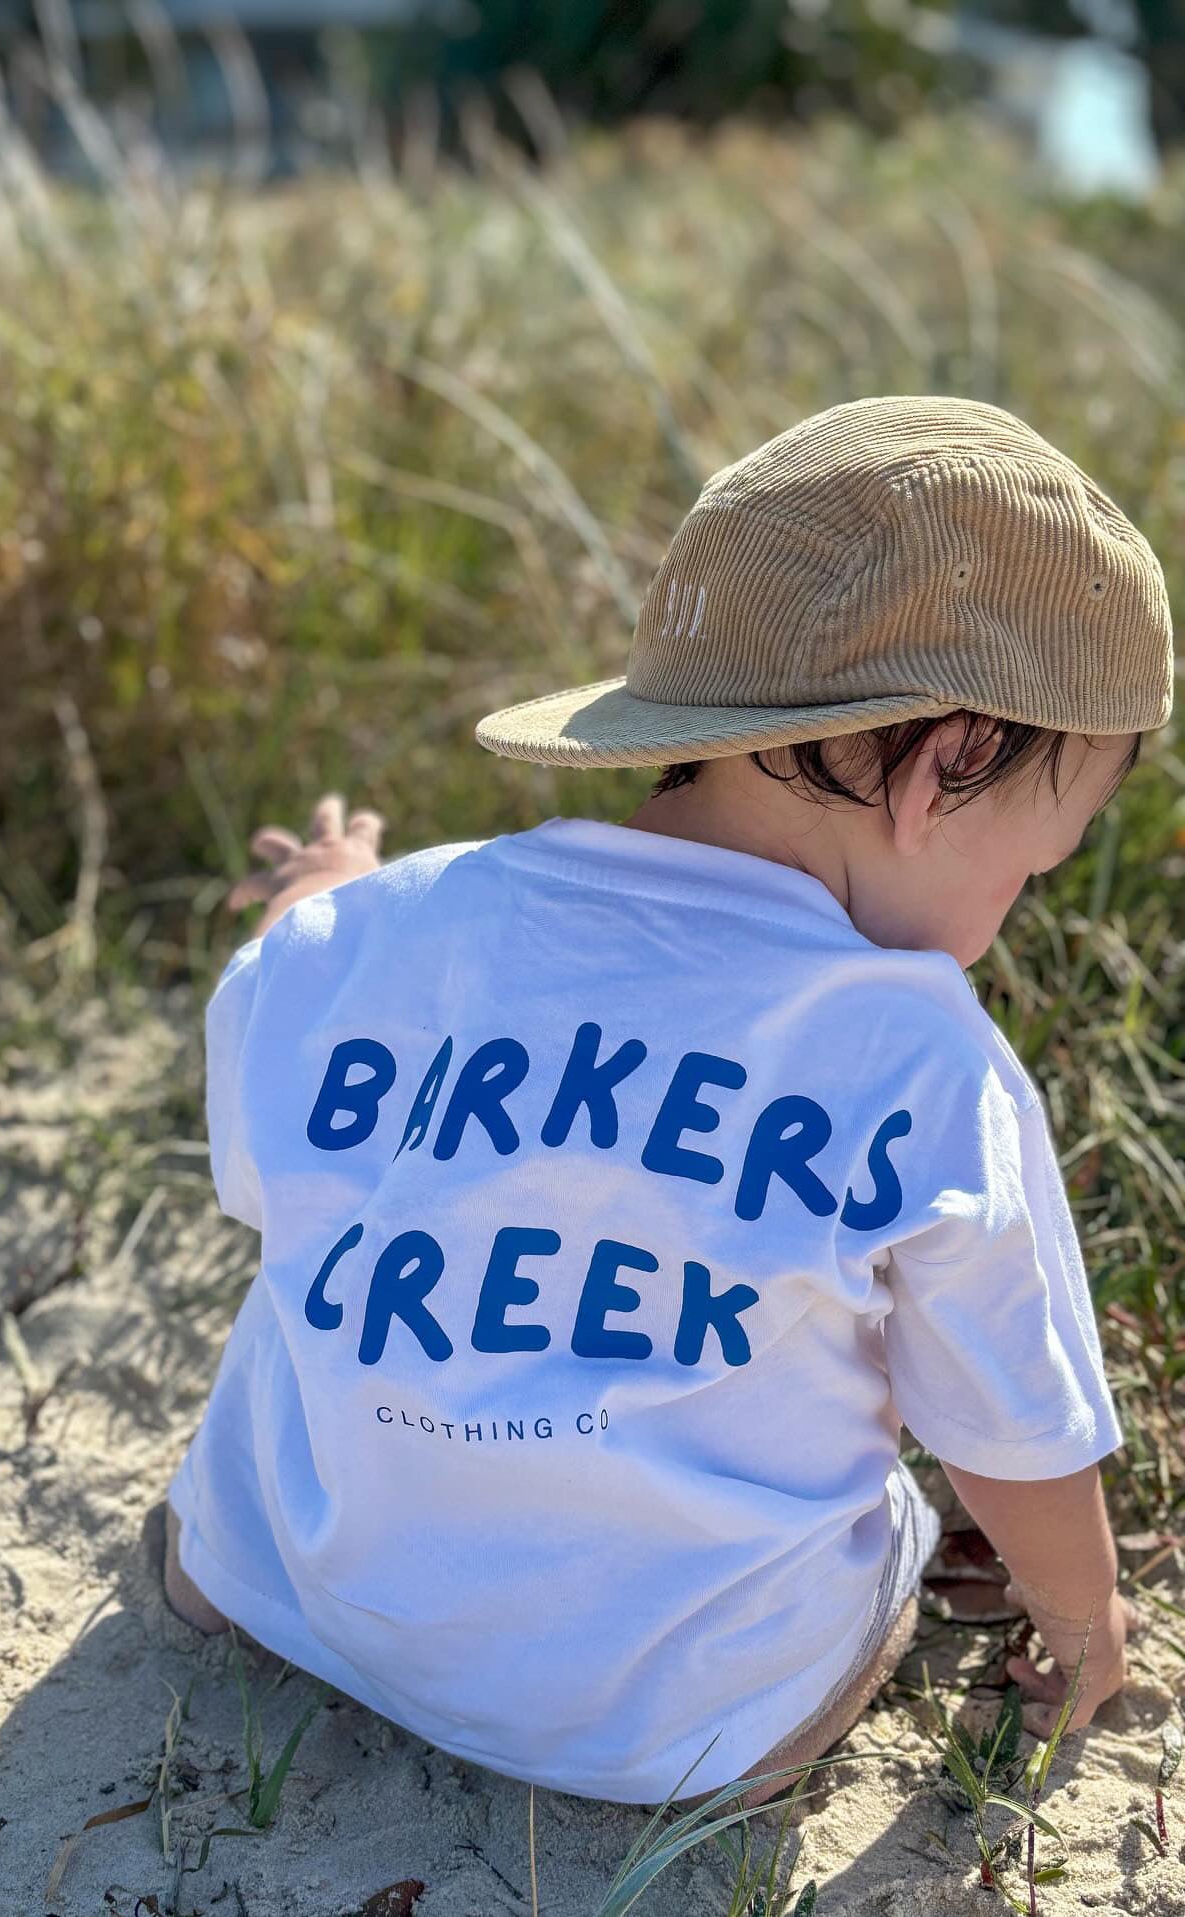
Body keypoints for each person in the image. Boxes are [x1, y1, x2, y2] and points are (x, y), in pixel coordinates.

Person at [162, 396, 1167, 1805]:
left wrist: (324, 893)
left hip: (297, 1590)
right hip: (669, 1728)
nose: (1012, 915)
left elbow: (284, 995)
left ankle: (237, 1584)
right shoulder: (913, 1052)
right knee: (891, 1519)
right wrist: (1084, 1621)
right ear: (949, 766)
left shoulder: (375, 936)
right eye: (1035, 867)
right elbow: (1020, 1430)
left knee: (270, 1408)